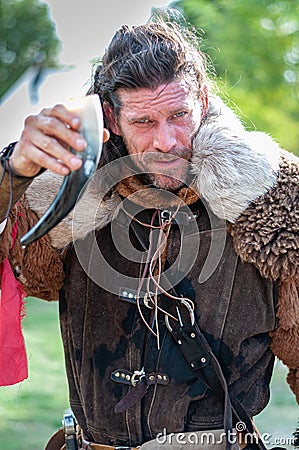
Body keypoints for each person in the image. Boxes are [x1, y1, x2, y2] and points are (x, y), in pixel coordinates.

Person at [0, 12, 298, 450]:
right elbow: (23, 269)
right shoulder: (64, 190)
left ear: (203, 97)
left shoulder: (273, 199)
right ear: (111, 118)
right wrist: (15, 173)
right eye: (144, 122)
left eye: (179, 115)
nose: (166, 141)